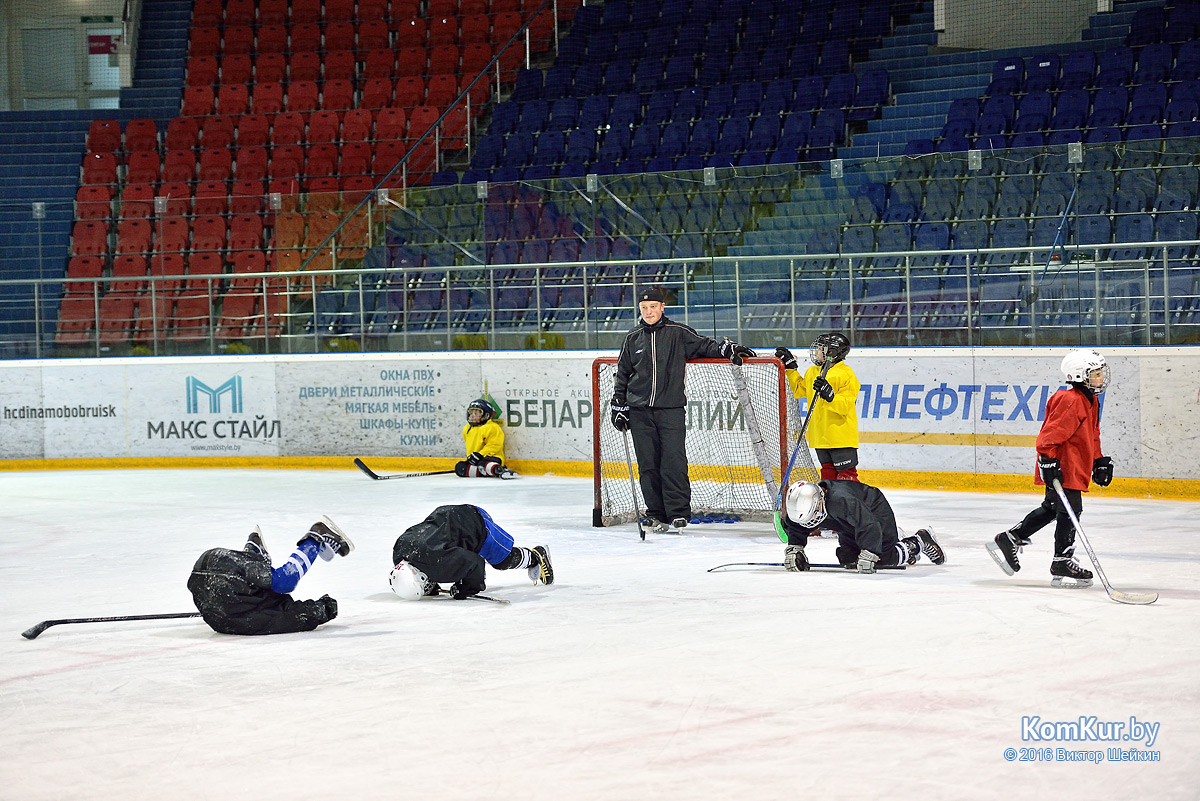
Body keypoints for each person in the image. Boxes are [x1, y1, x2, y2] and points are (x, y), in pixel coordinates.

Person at [610, 287, 756, 533]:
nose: (648, 312)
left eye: (653, 307)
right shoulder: (632, 337)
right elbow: (623, 373)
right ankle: (655, 513)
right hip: (639, 411)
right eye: (644, 308)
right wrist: (619, 404)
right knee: (648, 463)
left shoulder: (678, 332)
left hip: (671, 409)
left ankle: (677, 512)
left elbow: (706, 346)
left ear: (662, 307)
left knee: (673, 461)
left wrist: (727, 349)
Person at [987, 349, 1112, 588]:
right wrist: (1048, 461)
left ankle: (1010, 538)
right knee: (1069, 509)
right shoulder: (1070, 400)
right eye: (1094, 373)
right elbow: (1048, 438)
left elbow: (1092, 433)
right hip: (1062, 466)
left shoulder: (1090, 399)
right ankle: (1061, 560)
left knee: (1054, 508)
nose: (1100, 377)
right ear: (1078, 375)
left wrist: (1098, 460)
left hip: (1075, 465)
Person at [187, 517, 353, 635]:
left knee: (285, 582)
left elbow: (296, 617)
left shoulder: (261, 619)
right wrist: (323, 610)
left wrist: (323, 609)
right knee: (260, 581)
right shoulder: (256, 614)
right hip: (207, 576)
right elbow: (293, 616)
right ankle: (254, 549)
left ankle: (316, 536)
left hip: (226, 583)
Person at [390, 504, 553, 600]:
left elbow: (476, 563)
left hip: (475, 523)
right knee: (455, 552)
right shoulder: (399, 553)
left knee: (501, 561)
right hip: (447, 515)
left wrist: (468, 588)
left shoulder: (438, 563)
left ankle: (535, 556)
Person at [779, 480, 946, 573]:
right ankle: (897, 543)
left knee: (883, 559)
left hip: (873, 510)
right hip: (849, 522)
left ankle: (918, 541)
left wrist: (870, 552)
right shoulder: (804, 505)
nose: (812, 522)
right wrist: (795, 548)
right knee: (849, 559)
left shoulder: (842, 501)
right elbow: (795, 525)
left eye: (814, 515)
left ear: (820, 500)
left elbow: (868, 525)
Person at [775, 332, 862, 481]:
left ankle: (852, 504)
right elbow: (799, 390)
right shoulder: (812, 372)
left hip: (840, 437)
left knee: (846, 477)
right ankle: (831, 505)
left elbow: (845, 406)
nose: (816, 352)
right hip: (820, 437)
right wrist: (791, 369)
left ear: (831, 352)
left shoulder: (846, 374)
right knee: (827, 477)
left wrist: (830, 396)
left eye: (820, 348)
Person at [456, 397, 517, 479]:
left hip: (492, 457)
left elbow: (494, 445)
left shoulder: (491, 427)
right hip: (477, 459)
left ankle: (499, 470)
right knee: (460, 468)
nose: (473, 416)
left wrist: (480, 454)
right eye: (471, 413)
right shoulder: (467, 428)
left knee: (483, 464)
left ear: (486, 415)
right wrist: (472, 458)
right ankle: (487, 471)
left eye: (476, 414)